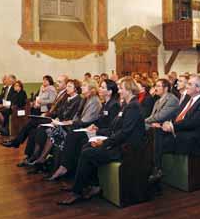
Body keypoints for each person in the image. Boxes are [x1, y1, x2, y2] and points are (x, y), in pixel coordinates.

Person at [57, 77, 145, 205]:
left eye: (121, 89)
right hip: (119, 144)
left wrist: (104, 142)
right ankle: (89, 185)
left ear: (130, 90)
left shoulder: (133, 107)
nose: (119, 91)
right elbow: (114, 128)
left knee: (88, 152)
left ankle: (77, 191)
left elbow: (125, 133)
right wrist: (99, 135)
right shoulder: (126, 105)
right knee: (87, 147)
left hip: (126, 150)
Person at [47, 79, 121, 180]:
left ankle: (66, 168)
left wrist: (95, 129)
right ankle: (65, 168)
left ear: (110, 91)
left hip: (102, 134)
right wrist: (94, 126)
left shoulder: (112, 104)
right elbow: (99, 120)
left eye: (103, 87)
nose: (99, 89)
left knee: (74, 136)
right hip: (94, 129)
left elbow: (110, 126)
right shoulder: (103, 103)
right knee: (68, 135)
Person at [149, 75, 200, 182]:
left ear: (198, 88)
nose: (186, 86)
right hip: (179, 132)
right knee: (154, 133)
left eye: (190, 84)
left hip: (192, 138)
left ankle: (156, 169)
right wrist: (165, 124)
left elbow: (193, 122)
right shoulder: (188, 99)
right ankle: (156, 169)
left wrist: (172, 126)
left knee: (157, 141)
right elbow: (176, 115)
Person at [1, 75, 69, 148]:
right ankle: (28, 153)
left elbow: (58, 109)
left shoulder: (64, 95)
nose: (57, 83)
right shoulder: (59, 92)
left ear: (65, 84)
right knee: (32, 128)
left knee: (32, 122)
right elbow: (53, 105)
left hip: (54, 119)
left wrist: (47, 113)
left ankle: (16, 142)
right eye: (57, 81)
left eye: (60, 82)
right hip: (48, 114)